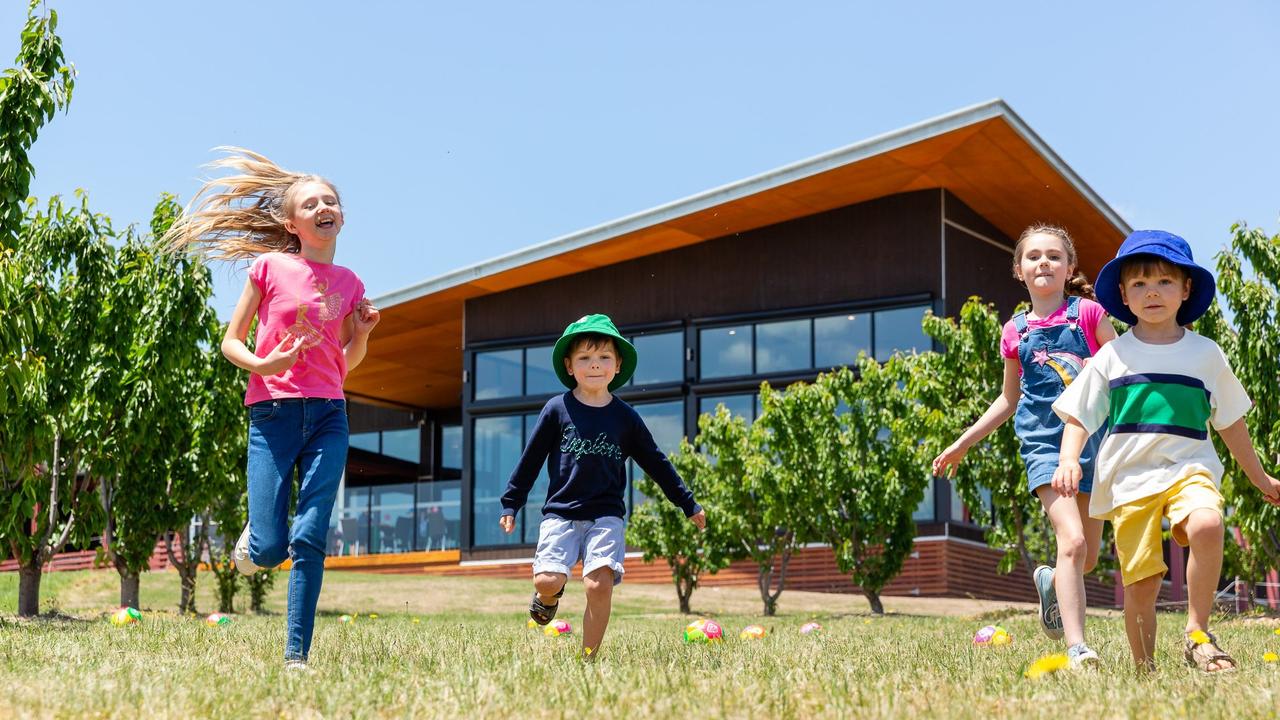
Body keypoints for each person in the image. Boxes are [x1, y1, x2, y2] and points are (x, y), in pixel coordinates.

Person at [165, 148, 380, 670]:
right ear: (292, 222)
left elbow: (343, 360)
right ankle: (255, 539)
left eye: (331, 200)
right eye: (311, 203)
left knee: (309, 536)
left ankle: (295, 658)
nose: (324, 206)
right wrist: (266, 363)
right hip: (273, 414)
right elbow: (230, 342)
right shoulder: (270, 267)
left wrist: (365, 335)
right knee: (267, 551)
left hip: (330, 412)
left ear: (341, 217)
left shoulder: (349, 284)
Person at [1053, 229, 1280, 673]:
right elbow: (1079, 415)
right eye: (1138, 283)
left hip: (1189, 467)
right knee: (1143, 580)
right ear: (1122, 293)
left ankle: (1198, 634)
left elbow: (1230, 422)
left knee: (1209, 522)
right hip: (1129, 479)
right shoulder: (1113, 356)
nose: (1151, 292)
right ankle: (1145, 668)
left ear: (1186, 289)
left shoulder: (1206, 354)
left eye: (1164, 282)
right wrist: (1067, 460)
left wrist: (1261, 478)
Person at [932, 224, 1116, 668]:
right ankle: (1077, 647)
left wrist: (1105, 371)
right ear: (1019, 270)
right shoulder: (1014, 331)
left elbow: (1122, 372)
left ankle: (1052, 582)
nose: (1044, 263)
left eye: (1054, 256)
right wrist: (961, 443)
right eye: (1033, 256)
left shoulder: (1089, 315)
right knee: (1071, 542)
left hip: (1093, 444)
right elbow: (1009, 400)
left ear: (1069, 266)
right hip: (1045, 448)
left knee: (1085, 559)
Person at [499, 314, 706, 658]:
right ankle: (548, 598)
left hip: (606, 516)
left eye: (603, 358)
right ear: (569, 365)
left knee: (599, 585)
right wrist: (511, 503)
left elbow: (656, 462)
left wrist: (687, 502)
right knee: (547, 580)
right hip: (561, 514)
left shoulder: (625, 418)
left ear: (617, 364)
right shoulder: (556, 410)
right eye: (584, 358)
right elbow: (531, 458)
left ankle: (587, 659)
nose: (594, 365)